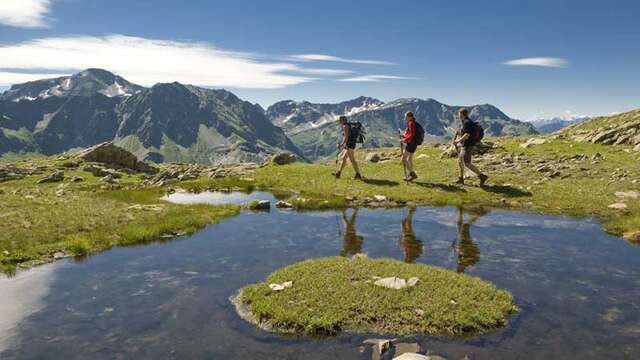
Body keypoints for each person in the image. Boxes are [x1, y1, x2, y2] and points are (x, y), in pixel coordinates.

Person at [453, 108, 488, 186]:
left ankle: (482, 176)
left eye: (459, 114)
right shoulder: (466, 122)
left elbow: (467, 135)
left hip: (468, 145)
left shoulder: (467, 122)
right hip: (465, 145)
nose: (458, 116)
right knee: (460, 161)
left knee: (467, 163)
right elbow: (466, 132)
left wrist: (457, 141)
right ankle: (461, 179)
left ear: (461, 114)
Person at [452, 206, 486, 273]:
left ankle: (461, 210)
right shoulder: (466, 263)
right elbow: (466, 254)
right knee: (465, 226)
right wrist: (458, 249)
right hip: (468, 245)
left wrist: (455, 249)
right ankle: (479, 214)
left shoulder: (462, 262)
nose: (457, 266)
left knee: (460, 225)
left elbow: (461, 253)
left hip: (464, 244)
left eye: (457, 268)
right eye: (457, 268)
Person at [333, 115, 362, 180]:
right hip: (351, 144)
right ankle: (338, 173)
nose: (339, 122)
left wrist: (341, 145)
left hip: (349, 145)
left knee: (352, 159)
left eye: (340, 121)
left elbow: (346, 137)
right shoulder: (349, 125)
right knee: (344, 158)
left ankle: (358, 174)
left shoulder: (345, 126)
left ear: (342, 120)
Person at [399, 111, 419, 181]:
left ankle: (412, 174)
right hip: (414, 143)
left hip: (411, 144)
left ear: (410, 117)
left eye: (406, 117)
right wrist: (404, 136)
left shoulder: (411, 123)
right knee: (409, 158)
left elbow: (412, 135)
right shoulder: (413, 123)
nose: (405, 118)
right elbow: (411, 134)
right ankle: (410, 175)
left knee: (403, 159)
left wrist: (404, 140)